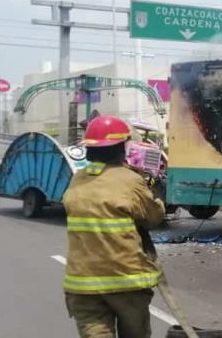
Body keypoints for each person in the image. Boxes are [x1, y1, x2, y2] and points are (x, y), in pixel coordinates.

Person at [61, 115, 165, 338]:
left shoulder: (77, 179)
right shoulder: (130, 180)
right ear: (122, 147)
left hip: (82, 284)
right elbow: (153, 218)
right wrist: (150, 186)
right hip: (126, 282)